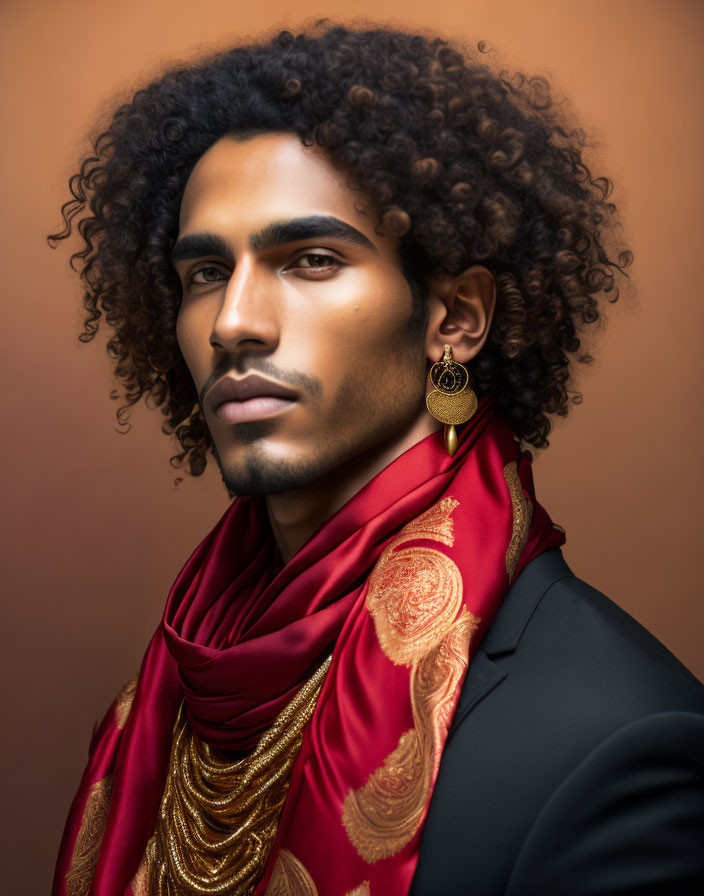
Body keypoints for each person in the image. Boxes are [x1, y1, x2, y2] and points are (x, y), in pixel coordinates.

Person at [49, 20, 704, 896]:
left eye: (311, 260)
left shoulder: (618, 744)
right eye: (204, 271)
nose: (233, 322)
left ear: (455, 320)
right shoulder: (169, 692)